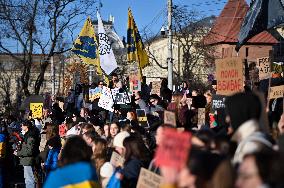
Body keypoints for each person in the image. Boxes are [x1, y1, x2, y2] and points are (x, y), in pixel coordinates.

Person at [225, 92, 274, 165]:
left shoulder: (251, 147)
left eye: (230, 114)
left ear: (240, 113)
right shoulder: (251, 140)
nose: (227, 119)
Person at [15, 120, 40, 188]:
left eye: (23, 125)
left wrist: (18, 153)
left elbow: (29, 151)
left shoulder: (30, 136)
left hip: (28, 160)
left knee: (29, 180)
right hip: (27, 160)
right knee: (29, 179)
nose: (21, 127)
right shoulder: (28, 135)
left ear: (27, 126)